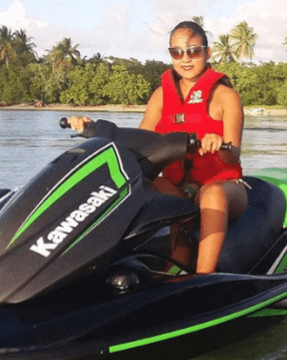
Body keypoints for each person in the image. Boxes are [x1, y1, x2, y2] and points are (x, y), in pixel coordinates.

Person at [70, 21, 247, 274]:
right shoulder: (161, 96)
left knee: (212, 194)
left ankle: (202, 279)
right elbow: (140, 142)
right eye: (176, 52)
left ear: (207, 53)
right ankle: (164, 270)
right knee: (151, 185)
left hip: (226, 187)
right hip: (181, 188)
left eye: (193, 51)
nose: (185, 58)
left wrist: (219, 145)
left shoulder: (225, 96)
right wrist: (92, 129)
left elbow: (234, 154)